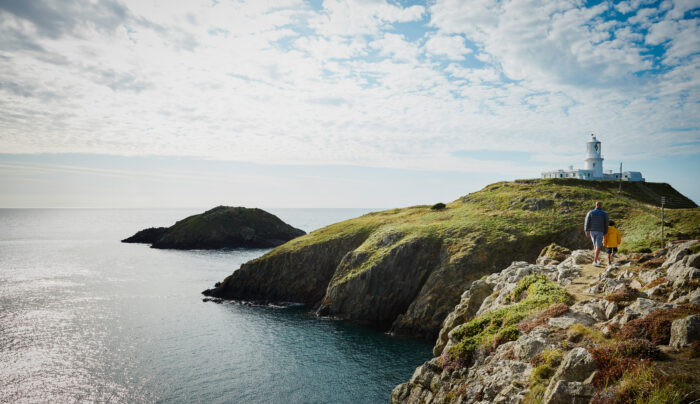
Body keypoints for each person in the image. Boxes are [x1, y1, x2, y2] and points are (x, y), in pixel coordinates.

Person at [584, 201, 609, 267]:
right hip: (600, 231)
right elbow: (606, 224)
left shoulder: (590, 212)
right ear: (601, 206)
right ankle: (595, 260)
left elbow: (587, 222)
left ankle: (597, 259)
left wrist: (586, 230)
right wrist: (606, 232)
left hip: (592, 231)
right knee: (598, 245)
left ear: (595, 205)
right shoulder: (604, 213)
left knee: (595, 244)